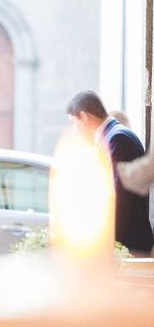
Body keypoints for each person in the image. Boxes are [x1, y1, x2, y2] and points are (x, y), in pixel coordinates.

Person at [66, 91, 154, 254]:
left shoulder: (117, 139)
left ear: (85, 116)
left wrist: (106, 245)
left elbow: (119, 198)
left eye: (74, 123)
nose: (75, 130)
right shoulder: (113, 136)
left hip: (127, 246)